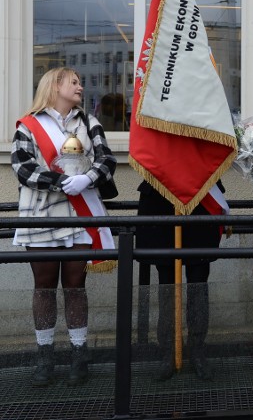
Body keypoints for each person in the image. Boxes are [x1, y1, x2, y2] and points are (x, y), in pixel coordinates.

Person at [11, 67, 117, 386]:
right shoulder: (29, 125)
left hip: (80, 215)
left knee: (75, 287)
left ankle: (78, 356)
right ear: (56, 86)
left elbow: (107, 160)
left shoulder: (88, 122)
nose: (80, 87)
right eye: (74, 82)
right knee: (44, 287)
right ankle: (45, 359)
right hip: (42, 214)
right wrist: (61, 181)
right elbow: (22, 167)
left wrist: (87, 178)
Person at [136, 180, 229, 381]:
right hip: (161, 197)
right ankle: (168, 352)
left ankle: (197, 350)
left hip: (200, 195)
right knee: (167, 284)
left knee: (198, 282)